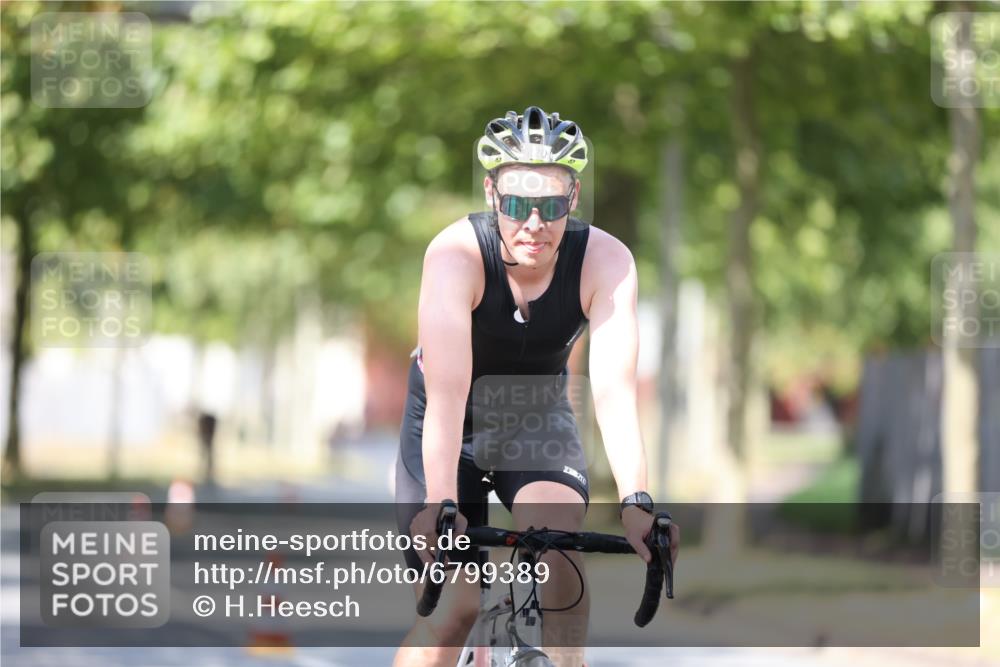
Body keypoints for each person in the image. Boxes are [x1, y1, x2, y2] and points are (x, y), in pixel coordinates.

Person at [393, 106, 680, 667]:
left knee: (559, 552)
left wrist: (636, 502)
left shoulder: (606, 261)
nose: (533, 224)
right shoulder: (455, 255)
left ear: (573, 198)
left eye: (550, 206)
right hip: (448, 424)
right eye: (516, 204)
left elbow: (614, 393)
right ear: (491, 194)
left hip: (534, 417)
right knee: (454, 610)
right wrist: (440, 502)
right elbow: (448, 397)